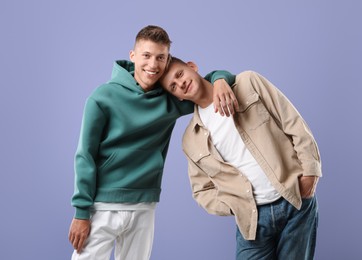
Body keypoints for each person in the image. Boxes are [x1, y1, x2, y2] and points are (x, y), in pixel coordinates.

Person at [68, 25, 238, 260]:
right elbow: (84, 155)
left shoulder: (172, 98)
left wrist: (220, 79)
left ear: (167, 59)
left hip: (145, 205)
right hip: (102, 205)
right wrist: (81, 212)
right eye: (146, 56)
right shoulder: (102, 98)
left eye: (160, 57)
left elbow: (207, 86)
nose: (153, 64)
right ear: (133, 56)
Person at [159, 57, 322, 260]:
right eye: (173, 86)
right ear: (177, 97)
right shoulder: (191, 139)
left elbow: (293, 123)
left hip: (295, 199)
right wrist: (237, 204)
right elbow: (201, 191)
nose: (180, 83)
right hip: (252, 222)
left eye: (180, 74)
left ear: (192, 66)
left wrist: (310, 173)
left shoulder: (248, 82)